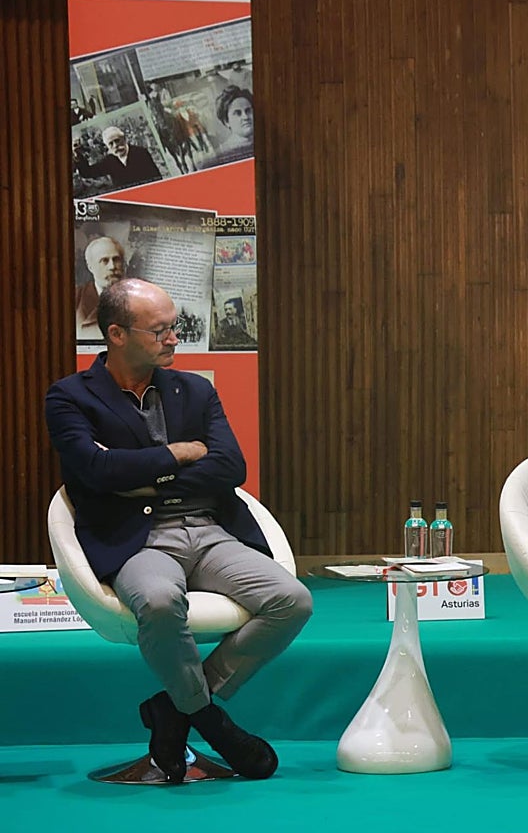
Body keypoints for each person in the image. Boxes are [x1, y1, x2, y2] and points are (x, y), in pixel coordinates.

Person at [45, 279, 312, 783]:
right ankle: (209, 719)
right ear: (117, 334)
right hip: (135, 539)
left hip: (208, 528)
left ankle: (176, 708)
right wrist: (177, 453)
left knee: (292, 600)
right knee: (162, 602)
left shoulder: (195, 389)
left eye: (175, 327)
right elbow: (94, 473)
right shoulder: (70, 397)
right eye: (162, 330)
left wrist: (145, 476)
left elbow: (230, 467)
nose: (174, 338)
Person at [73, 126, 163, 191]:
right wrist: (78, 155)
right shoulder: (109, 161)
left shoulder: (140, 153)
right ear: (107, 146)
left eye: (117, 140)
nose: (115, 145)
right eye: (111, 143)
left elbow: (156, 177)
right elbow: (87, 172)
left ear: (124, 139)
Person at [75, 236, 127, 336]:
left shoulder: (139, 296)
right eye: (104, 261)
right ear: (90, 267)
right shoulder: (75, 299)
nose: (112, 267)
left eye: (116, 259)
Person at [215, 85, 254, 159]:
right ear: (226, 121)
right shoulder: (221, 154)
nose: (245, 117)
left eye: (248, 111)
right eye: (238, 113)